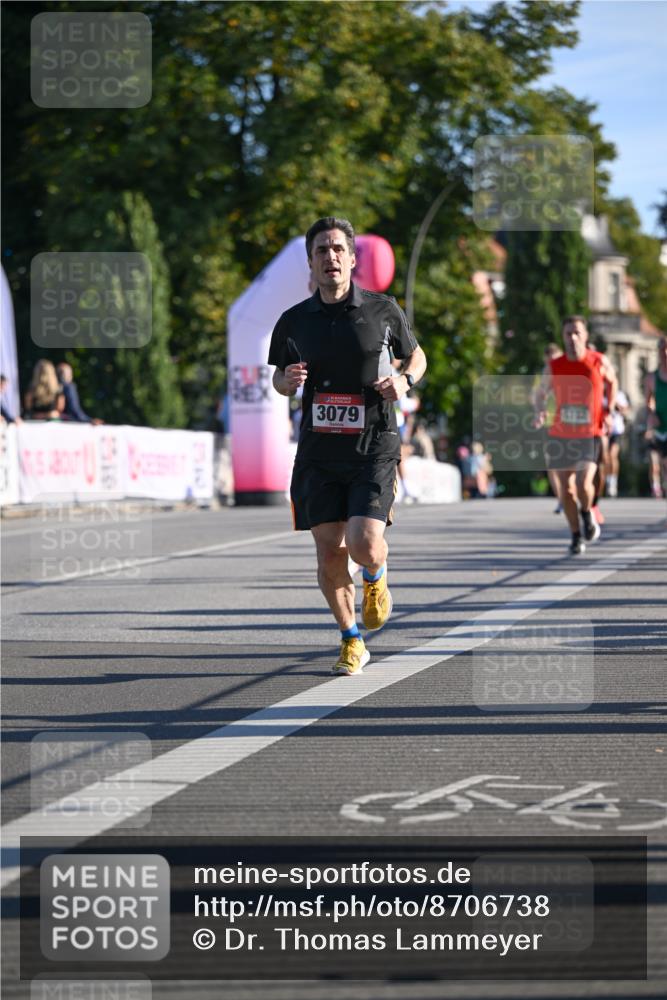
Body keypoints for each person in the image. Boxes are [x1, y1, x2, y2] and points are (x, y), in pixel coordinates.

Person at [268, 216, 426, 675]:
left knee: (363, 542)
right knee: (330, 551)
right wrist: (286, 381)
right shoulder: (293, 321)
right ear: (311, 262)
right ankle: (351, 639)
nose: (330, 257)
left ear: (353, 259)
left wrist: (404, 381)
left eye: (338, 249)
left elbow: (417, 355)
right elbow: (278, 378)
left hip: (373, 445)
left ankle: (375, 576)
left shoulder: (382, 310)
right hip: (318, 453)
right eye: (321, 250)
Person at [534, 316, 617, 556]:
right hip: (561, 434)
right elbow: (540, 393)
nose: (572, 338)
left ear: (585, 336)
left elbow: (613, 382)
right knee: (566, 490)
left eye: (577, 333)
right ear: (563, 337)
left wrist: (609, 410)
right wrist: (540, 410)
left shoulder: (598, 361)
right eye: (568, 333)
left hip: (590, 433)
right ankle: (575, 535)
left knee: (582, 483)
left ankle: (587, 512)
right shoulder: (555, 366)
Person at [644, 336, 667, 499]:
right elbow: (648, 401)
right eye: (662, 350)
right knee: (655, 461)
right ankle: (656, 487)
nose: (665, 353)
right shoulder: (652, 378)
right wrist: (652, 414)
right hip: (659, 427)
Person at [605, 387, 630, 497]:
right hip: (603, 430)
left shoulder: (619, 395)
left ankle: (613, 481)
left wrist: (616, 404)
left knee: (612, 455)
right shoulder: (600, 393)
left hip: (616, 430)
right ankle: (606, 480)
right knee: (605, 458)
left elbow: (626, 410)